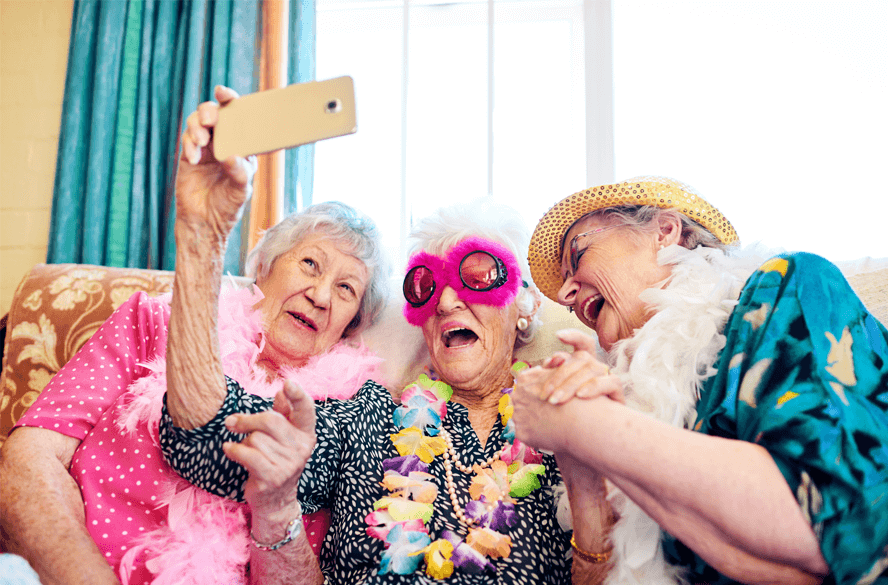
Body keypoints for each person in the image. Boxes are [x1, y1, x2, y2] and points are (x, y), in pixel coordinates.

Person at [0, 86, 389, 585]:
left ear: (350, 325)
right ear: (265, 269)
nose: (319, 294)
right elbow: (30, 457)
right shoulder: (151, 320)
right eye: (310, 263)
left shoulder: (347, 415)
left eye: (346, 289)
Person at [157, 198, 620, 584]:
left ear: (524, 304)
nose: (444, 300)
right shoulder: (368, 417)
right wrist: (202, 238)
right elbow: (201, 435)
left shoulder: (565, 416)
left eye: (476, 275)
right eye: (426, 284)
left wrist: (584, 484)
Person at [512, 176, 888, 584]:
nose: (566, 294)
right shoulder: (622, 400)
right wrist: (580, 469)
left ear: (666, 232)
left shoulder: (787, 288)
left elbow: (831, 526)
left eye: (579, 253)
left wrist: (590, 428)